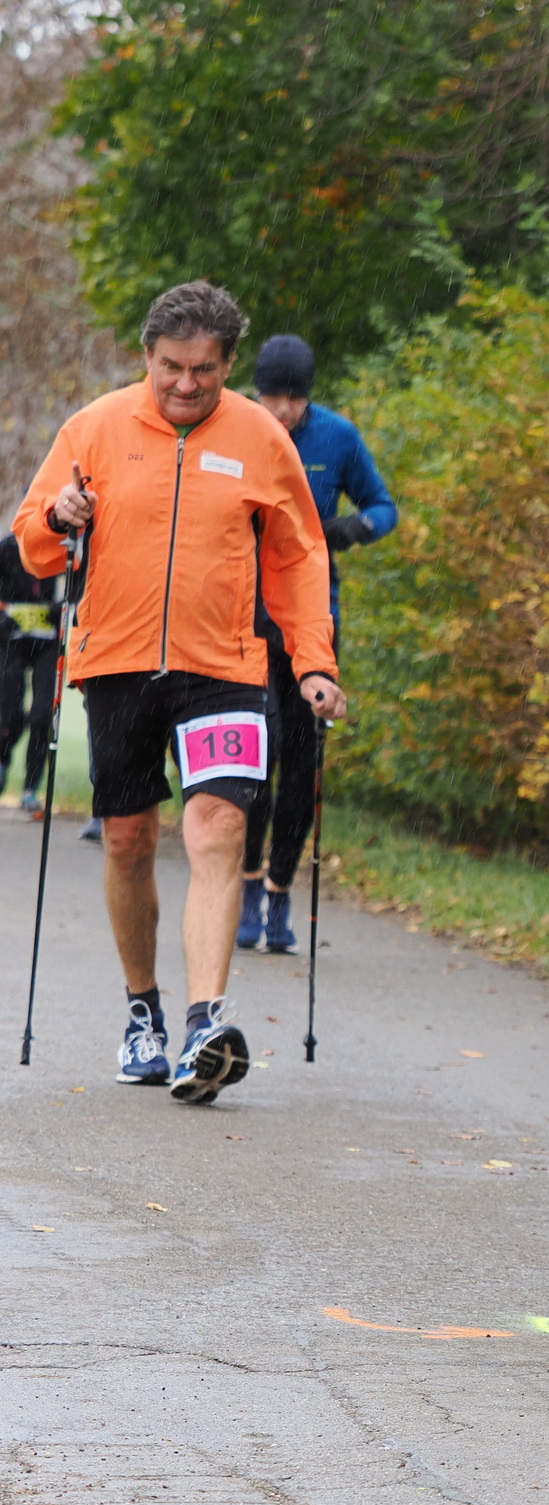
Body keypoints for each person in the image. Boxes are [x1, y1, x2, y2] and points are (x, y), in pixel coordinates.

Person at [9, 281, 346, 1103]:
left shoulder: (262, 438)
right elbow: (30, 545)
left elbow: (299, 558)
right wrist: (58, 516)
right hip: (118, 663)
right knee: (128, 840)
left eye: (204, 369)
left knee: (220, 826)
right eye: (171, 367)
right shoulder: (94, 428)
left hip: (223, 667)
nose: (186, 384)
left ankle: (204, 1024)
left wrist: (313, 662)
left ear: (229, 364)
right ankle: (143, 1014)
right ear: (147, 357)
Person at [237, 334, 395, 954]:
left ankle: (280, 891)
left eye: (294, 399)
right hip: (244, 615)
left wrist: (352, 528)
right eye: (271, 397)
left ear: (308, 396)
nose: (282, 410)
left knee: (302, 765)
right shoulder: (235, 428)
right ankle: (247, 883)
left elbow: (384, 507)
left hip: (312, 616)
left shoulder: (336, 437)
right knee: (256, 755)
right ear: (255, 391)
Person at [0, 534, 59, 816]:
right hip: (10, 640)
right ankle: (2, 762)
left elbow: (81, 581)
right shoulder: (7, 548)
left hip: (47, 642)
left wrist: (65, 606)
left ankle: (30, 789)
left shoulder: (60, 543)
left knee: (42, 716)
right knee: (8, 715)